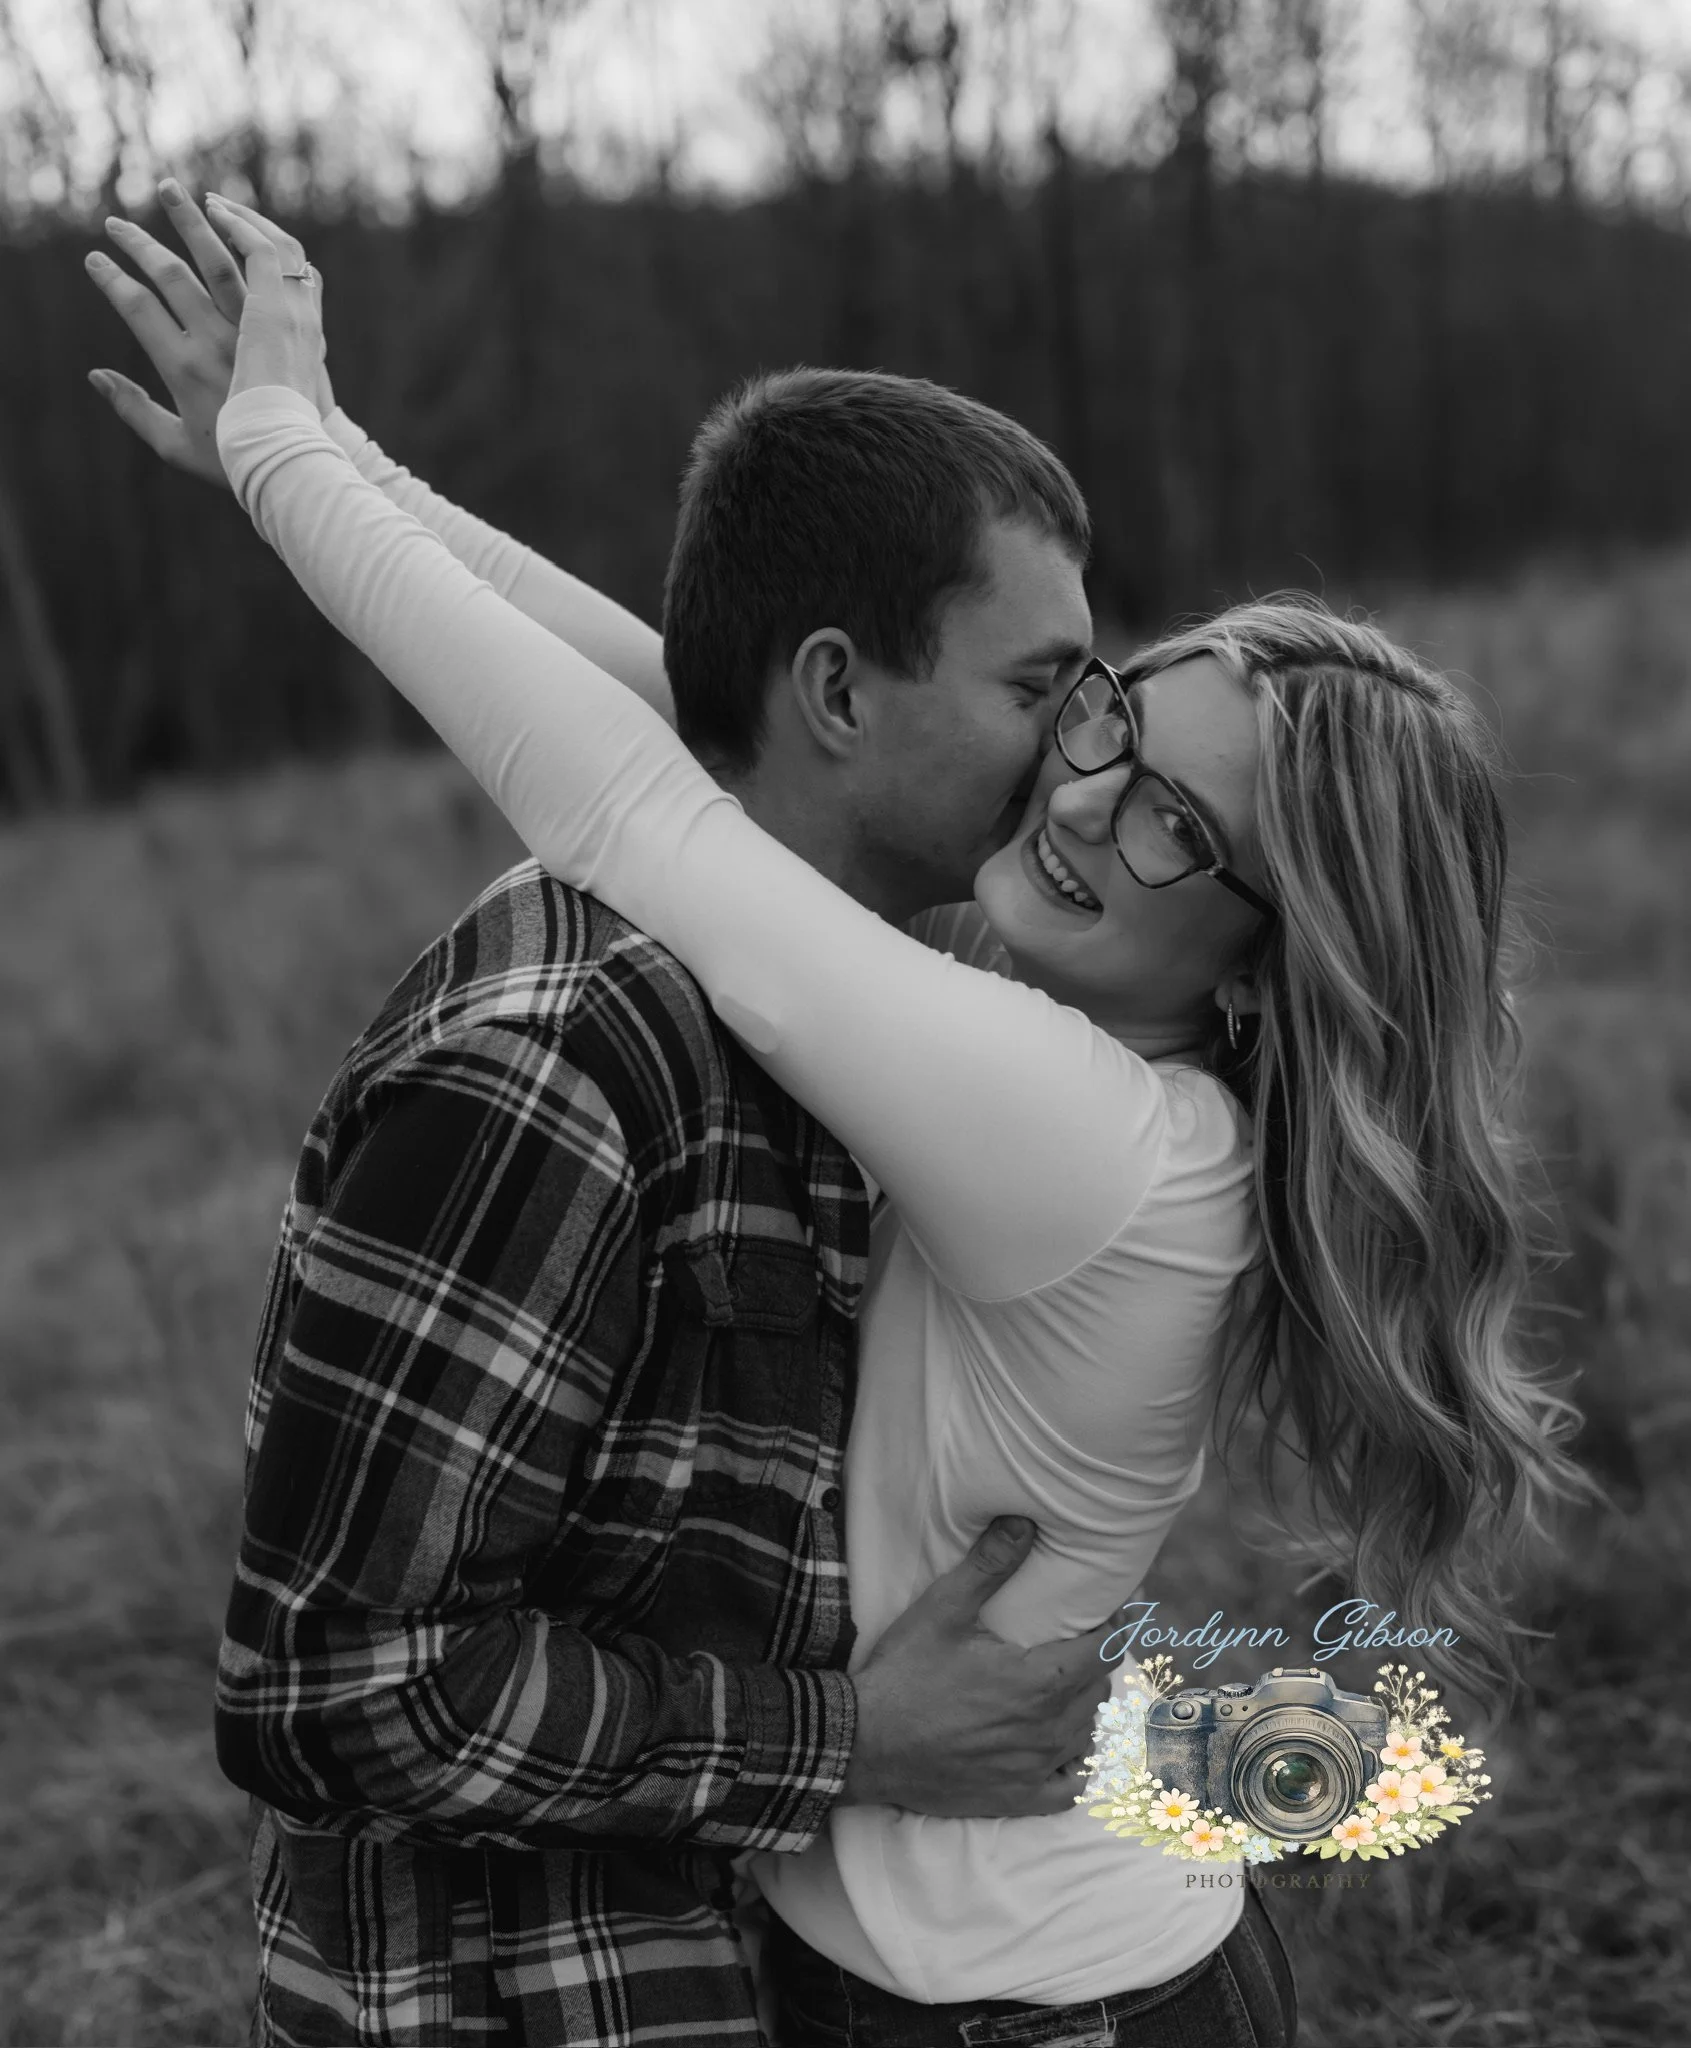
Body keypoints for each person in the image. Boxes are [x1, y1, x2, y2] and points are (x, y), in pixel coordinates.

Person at [201, 195, 1598, 2048]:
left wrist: (277, 447)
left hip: (1029, 1998)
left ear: (1273, 964)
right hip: (983, 1956)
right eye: (1099, 719)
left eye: (1185, 827)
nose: (1083, 798)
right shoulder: (1051, 1034)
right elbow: (719, 717)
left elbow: (654, 813)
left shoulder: (1084, 1134)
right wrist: (346, 455)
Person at [85, 193, 1132, 2047]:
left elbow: (585, 664)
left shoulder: (821, 985)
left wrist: (317, 452)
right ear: (831, 693)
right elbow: (331, 1687)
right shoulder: (556, 1068)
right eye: (1035, 687)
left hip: (736, 1961)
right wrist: (853, 1739)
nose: (1078, 745)